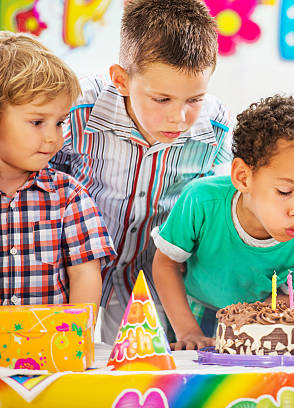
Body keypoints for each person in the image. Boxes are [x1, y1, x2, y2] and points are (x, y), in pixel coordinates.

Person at [50, 0, 232, 343]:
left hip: (152, 287)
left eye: (194, 99)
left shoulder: (216, 126)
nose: (179, 118)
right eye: (161, 99)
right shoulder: (75, 109)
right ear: (121, 79)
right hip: (71, 277)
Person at [151, 95, 294, 350]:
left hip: (258, 323)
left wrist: (246, 324)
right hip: (189, 310)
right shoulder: (201, 201)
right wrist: (187, 332)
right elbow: (165, 265)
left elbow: (292, 300)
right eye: (284, 191)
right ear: (243, 177)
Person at [0, 32, 115, 306]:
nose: (53, 138)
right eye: (37, 122)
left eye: (60, 123)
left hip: (51, 346)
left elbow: (85, 273)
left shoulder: (69, 196)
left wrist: (80, 336)